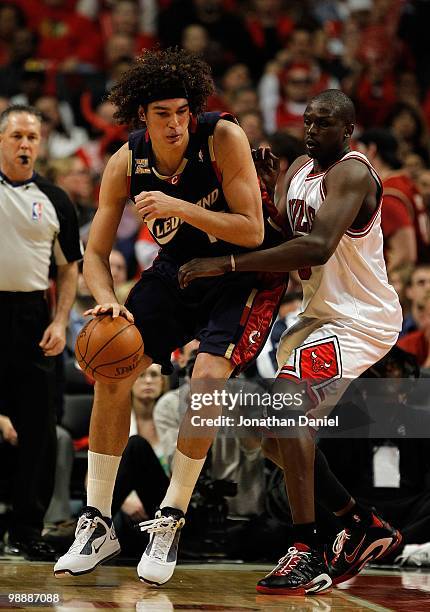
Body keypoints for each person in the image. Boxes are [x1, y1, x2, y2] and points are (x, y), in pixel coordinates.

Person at [54, 48, 286, 581]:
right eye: (164, 113)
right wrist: (106, 296)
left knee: (206, 381)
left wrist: (178, 205)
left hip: (239, 273)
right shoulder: (124, 161)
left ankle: (171, 518)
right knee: (113, 369)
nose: (177, 123)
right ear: (144, 116)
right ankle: (97, 521)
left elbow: (252, 229)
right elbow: (94, 253)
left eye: (183, 110)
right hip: (179, 270)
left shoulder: (222, 138)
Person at [178, 90, 403, 595]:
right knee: (263, 430)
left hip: (360, 318)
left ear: (347, 131)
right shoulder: (299, 166)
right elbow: (279, 235)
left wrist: (224, 263)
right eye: (307, 121)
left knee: (287, 404)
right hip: (319, 316)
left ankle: (307, 548)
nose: (310, 131)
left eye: (323, 124)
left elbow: (318, 247)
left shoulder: (352, 172)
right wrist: (261, 191)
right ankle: (359, 521)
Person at [0, 104, 82, 559]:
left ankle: (27, 530)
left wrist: (58, 320)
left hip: (34, 315)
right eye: (16, 136)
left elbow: (70, 269)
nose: (26, 144)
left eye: (32, 137)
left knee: (39, 428)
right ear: (1, 141)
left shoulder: (56, 199)